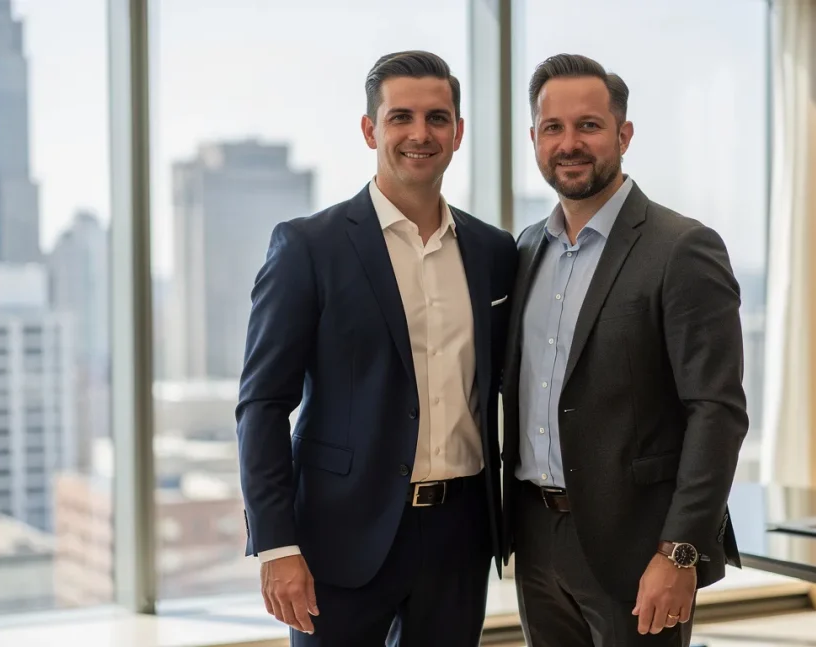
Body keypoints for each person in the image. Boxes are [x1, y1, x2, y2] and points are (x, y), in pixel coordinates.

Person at [235, 50, 518, 647]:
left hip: (459, 534)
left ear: (459, 132)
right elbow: (261, 405)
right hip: (339, 536)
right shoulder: (308, 247)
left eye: (438, 118)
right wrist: (277, 545)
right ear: (371, 129)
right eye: (401, 117)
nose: (421, 134)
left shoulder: (494, 253)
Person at [501, 53, 748, 647]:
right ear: (534, 138)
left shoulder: (682, 248)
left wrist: (681, 552)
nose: (570, 144)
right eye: (553, 128)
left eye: (588, 125)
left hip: (641, 546)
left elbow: (717, 411)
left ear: (623, 134)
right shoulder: (527, 248)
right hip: (537, 538)